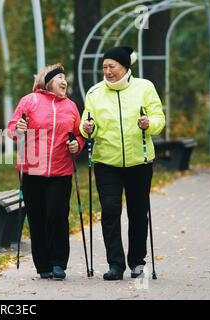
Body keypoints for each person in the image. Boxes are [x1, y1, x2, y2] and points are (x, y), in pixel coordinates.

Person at [79, 46, 165, 280]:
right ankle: (115, 265)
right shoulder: (95, 93)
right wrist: (87, 128)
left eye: (112, 67)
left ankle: (137, 262)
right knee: (110, 210)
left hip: (140, 160)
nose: (107, 71)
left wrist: (149, 123)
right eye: (104, 67)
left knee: (138, 213)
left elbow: (159, 118)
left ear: (125, 67)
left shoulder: (144, 88)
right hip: (107, 162)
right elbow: (87, 123)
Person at [7, 63, 85, 280]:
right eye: (60, 77)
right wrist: (18, 129)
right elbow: (12, 129)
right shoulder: (29, 100)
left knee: (57, 215)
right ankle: (43, 265)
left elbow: (79, 135)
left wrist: (76, 145)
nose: (64, 81)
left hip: (61, 171)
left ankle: (59, 263)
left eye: (65, 78)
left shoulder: (70, 106)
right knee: (37, 217)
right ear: (48, 81)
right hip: (32, 170)